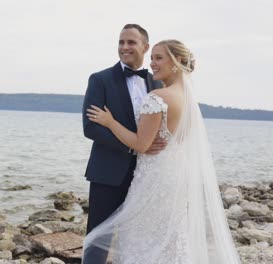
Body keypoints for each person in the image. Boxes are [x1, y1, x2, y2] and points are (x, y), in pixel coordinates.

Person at [82, 40, 241, 263]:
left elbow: (140, 145)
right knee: (169, 236)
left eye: (159, 58)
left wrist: (109, 122)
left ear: (175, 63)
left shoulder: (158, 96)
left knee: (140, 236)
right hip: (174, 173)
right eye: (153, 58)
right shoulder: (187, 97)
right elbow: (179, 139)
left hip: (155, 176)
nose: (153, 63)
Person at [81, 24, 164, 264]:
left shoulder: (156, 82)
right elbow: (91, 127)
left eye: (131, 42)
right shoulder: (100, 79)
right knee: (98, 235)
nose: (124, 47)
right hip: (107, 172)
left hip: (147, 173)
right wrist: (133, 146)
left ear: (145, 47)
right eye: (121, 42)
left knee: (138, 233)